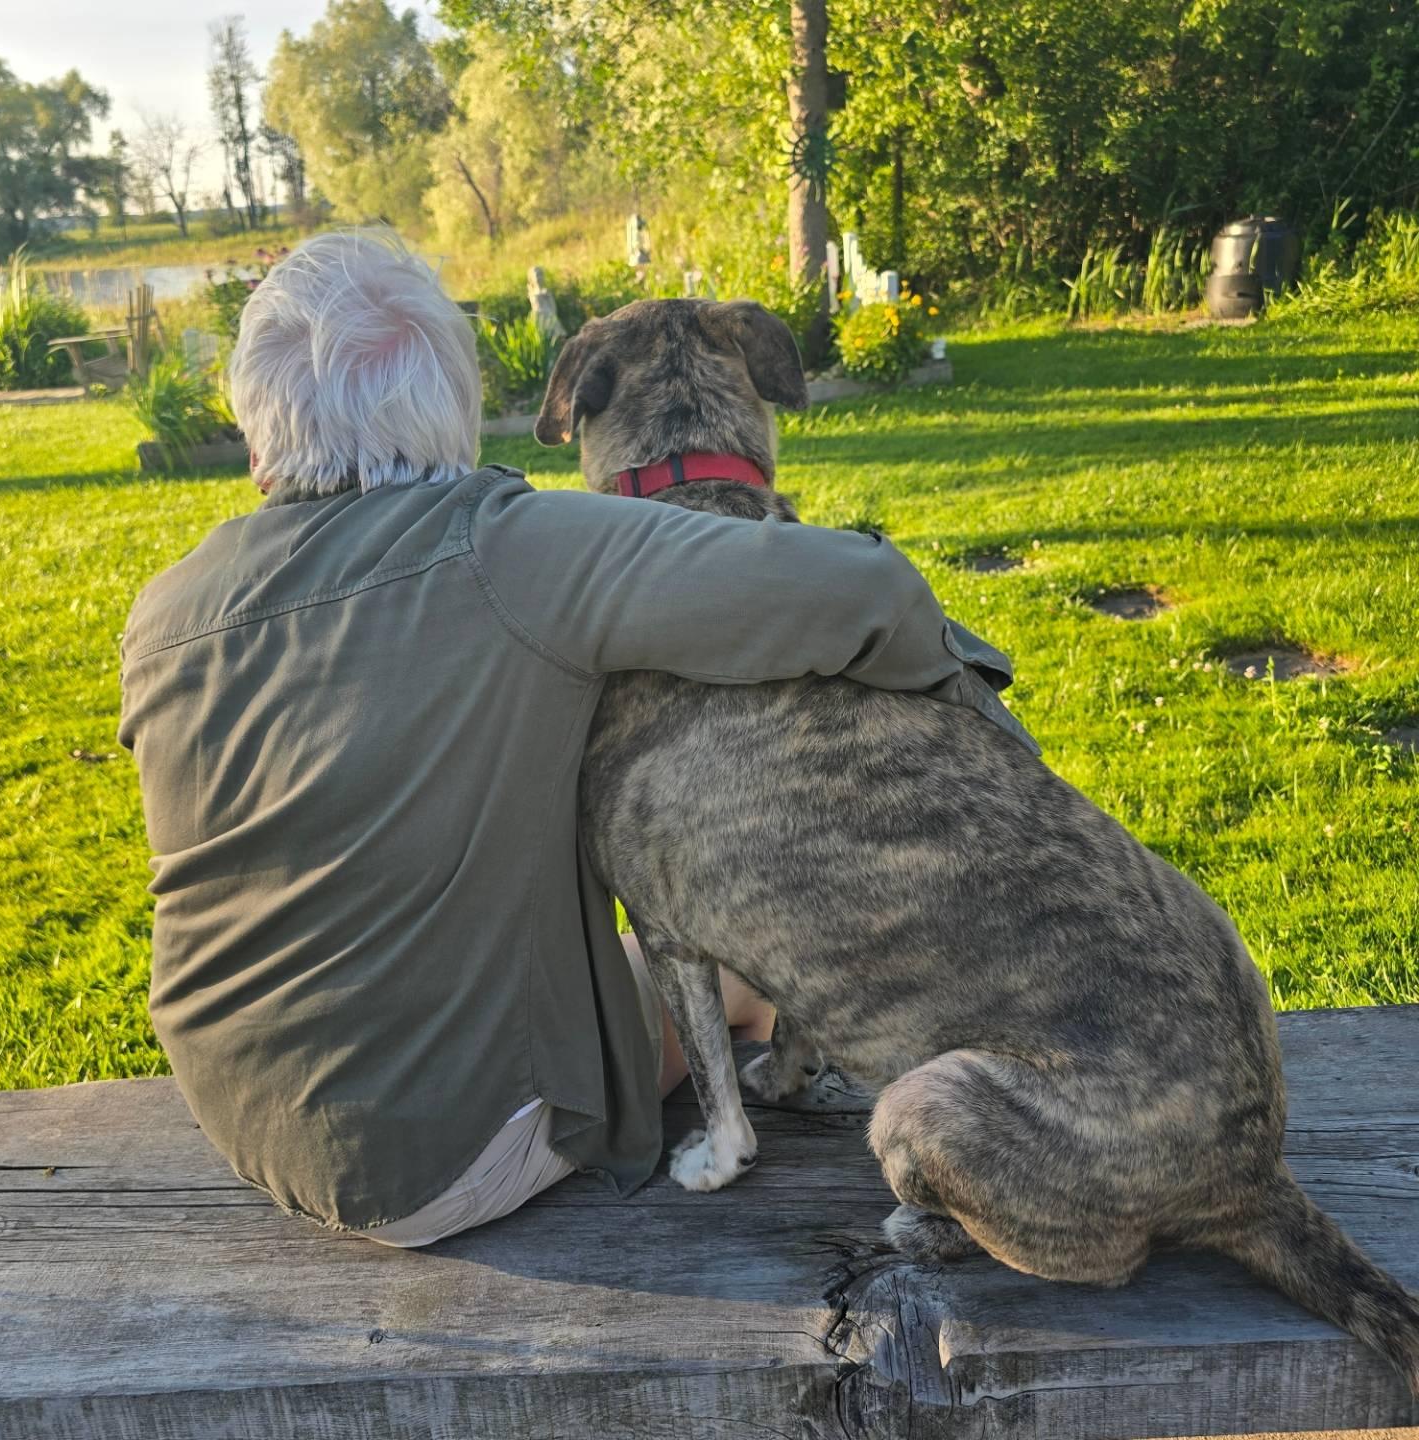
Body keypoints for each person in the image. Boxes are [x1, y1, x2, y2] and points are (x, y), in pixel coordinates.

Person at [118, 229, 1027, 1246]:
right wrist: (981, 707)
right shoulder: (511, 549)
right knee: (735, 966)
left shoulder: (164, 612)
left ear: (256, 443)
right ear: (458, 419)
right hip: (446, 1154)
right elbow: (866, 590)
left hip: (242, 1116)